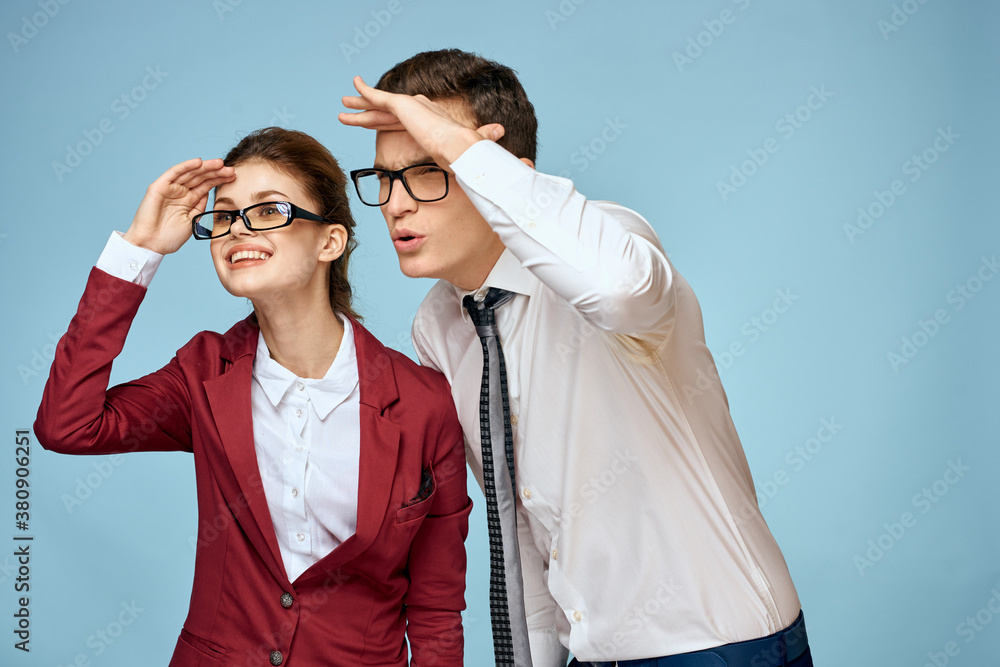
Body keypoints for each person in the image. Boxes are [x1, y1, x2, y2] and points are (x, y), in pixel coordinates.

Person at [339, 50, 813, 667]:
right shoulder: (440, 324)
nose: (396, 204)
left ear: (503, 172)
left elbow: (618, 290)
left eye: (430, 168)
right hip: (588, 652)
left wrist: (464, 151)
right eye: (384, 177)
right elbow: (518, 522)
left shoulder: (613, 242)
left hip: (718, 644)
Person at [34, 127, 471, 667]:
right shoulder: (202, 374)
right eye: (224, 216)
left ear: (330, 242)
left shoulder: (424, 403)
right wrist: (139, 248)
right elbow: (66, 425)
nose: (238, 228)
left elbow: (435, 607)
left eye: (268, 211)